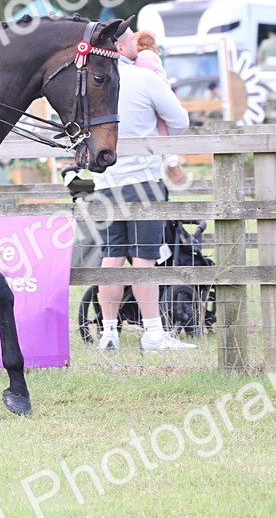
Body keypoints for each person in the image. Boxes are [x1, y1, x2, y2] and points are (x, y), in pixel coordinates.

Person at [94, 28, 195, 352]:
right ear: (121, 46)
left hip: (105, 182)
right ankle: (153, 333)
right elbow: (180, 120)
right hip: (143, 181)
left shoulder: (93, 81)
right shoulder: (145, 79)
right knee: (143, 260)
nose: (137, 45)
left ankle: (109, 332)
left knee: (111, 259)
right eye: (131, 40)